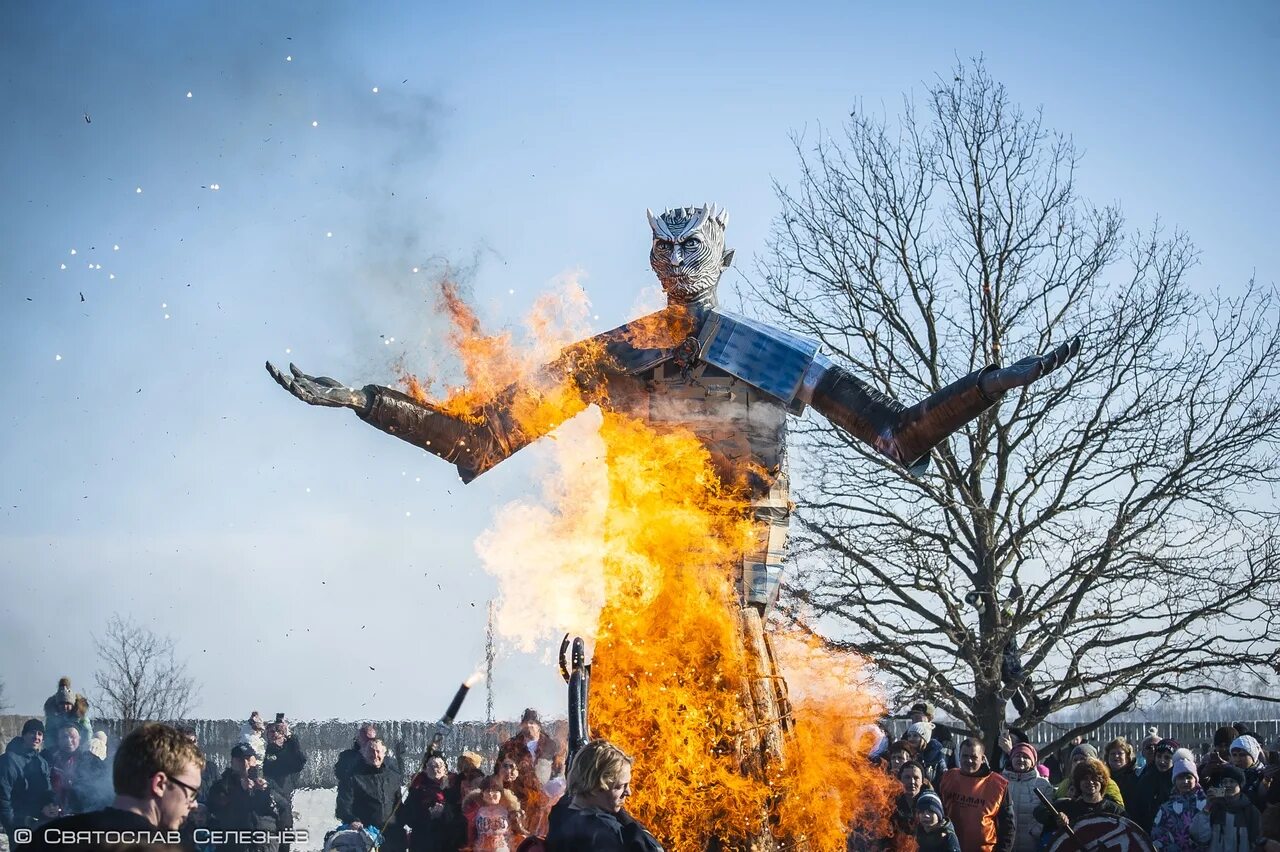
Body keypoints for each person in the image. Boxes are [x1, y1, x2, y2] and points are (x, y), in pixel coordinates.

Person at [33, 722, 205, 851]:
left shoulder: (49, 838)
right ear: (159, 784)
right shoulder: (165, 849)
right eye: (191, 792)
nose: (194, 803)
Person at [545, 739, 662, 852]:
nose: (628, 792)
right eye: (621, 786)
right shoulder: (605, 831)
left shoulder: (560, 810)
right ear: (596, 786)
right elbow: (652, 848)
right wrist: (623, 816)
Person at [207, 742, 293, 852]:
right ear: (232, 762)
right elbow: (217, 809)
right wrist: (241, 790)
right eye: (240, 760)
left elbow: (284, 809)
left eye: (248, 759)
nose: (245, 764)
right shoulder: (222, 786)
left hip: (265, 845)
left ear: (254, 761)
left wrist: (267, 791)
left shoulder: (268, 784)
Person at [937, 738, 1014, 852]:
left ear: (982, 758)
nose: (969, 760)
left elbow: (1008, 827)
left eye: (973, 757)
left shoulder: (998, 785)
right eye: (965, 756)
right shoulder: (948, 778)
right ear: (959, 756)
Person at [499, 710, 565, 835]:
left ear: (539, 726)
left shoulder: (550, 746)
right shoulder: (511, 746)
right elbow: (499, 771)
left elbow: (559, 770)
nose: (528, 726)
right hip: (518, 800)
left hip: (545, 802)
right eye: (525, 723)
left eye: (532, 722)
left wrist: (553, 790)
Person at [1034, 758, 1125, 844]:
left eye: (1094, 778)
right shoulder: (1068, 806)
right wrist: (1057, 816)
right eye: (1085, 778)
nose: (1090, 782)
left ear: (1102, 781)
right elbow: (1038, 812)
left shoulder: (1114, 810)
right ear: (1078, 783)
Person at [0, 719, 55, 844]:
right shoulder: (9, 761)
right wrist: (12, 826)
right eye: (32, 733)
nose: (36, 737)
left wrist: (51, 803)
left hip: (38, 824)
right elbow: (3, 799)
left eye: (40, 734)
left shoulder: (42, 762)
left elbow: (47, 791)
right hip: (18, 825)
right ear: (24, 735)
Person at [395, 755, 465, 852]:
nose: (435, 769)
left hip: (447, 841)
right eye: (431, 766)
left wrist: (444, 811)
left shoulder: (454, 787)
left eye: (439, 766)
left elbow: (460, 814)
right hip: (423, 841)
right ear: (425, 770)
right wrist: (427, 814)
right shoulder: (417, 788)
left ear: (445, 769)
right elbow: (408, 817)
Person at [336, 738, 402, 835]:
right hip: (366, 834)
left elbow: (400, 806)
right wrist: (352, 821)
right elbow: (343, 808)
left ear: (384, 752)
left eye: (378, 751)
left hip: (392, 835)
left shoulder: (394, 777)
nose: (375, 755)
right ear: (364, 753)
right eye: (371, 751)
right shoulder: (353, 778)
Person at [1191, 765, 1261, 852]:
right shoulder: (1215, 807)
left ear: (1240, 785)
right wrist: (1207, 807)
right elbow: (1201, 838)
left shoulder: (1251, 811)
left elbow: (1257, 842)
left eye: (1232, 782)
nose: (1228, 785)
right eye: (1224, 782)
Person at [1152, 750, 1208, 852]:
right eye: (1181, 778)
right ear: (1175, 781)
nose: (1185, 782)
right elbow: (1157, 834)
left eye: (1189, 777)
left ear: (1195, 780)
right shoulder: (1166, 808)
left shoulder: (1206, 805)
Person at [1002, 742, 1053, 852]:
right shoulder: (1000, 781)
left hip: (1032, 843)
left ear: (1033, 761)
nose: (1021, 759)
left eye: (1025, 757)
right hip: (1004, 842)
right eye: (1017, 756)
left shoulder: (1043, 785)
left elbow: (1048, 811)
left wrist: (1036, 831)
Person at [1054, 743, 1124, 807]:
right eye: (1075, 760)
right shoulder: (1065, 785)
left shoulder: (1108, 783)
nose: (1078, 762)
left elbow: (1117, 808)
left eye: (1083, 759)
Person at [1133, 739, 1180, 832]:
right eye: (1159, 756)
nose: (1162, 761)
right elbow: (1137, 809)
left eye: (1167, 757)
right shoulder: (1146, 779)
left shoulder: (1179, 780)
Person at [470, 775, 523, 852]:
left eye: (495, 790)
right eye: (487, 790)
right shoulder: (476, 811)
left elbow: (518, 832)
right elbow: (471, 834)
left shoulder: (509, 811)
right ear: (482, 794)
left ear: (501, 793)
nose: (491, 793)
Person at [263, 719, 307, 805]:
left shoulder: (290, 750)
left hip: (284, 794)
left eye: (279, 731)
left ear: (284, 736)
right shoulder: (262, 751)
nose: (275, 734)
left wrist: (290, 737)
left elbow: (299, 763)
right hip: (266, 794)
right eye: (272, 731)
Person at [42, 678, 93, 748]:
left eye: (68, 704)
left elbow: (87, 731)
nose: (65, 707)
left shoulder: (80, 716)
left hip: (77, 746)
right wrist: (52, 749)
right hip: (58, 748)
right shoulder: (53, 718)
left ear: (73, 704)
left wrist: (83, 747)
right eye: (61, 704)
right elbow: (49, 734)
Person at [1105, 737, 1142, 815]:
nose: (1116, 756)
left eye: (1120, 753)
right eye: (1112, 753)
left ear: (1128, 757)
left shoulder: (1137, 776)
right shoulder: (1103, 778)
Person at [906, 722, 948, 787]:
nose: (911, 739)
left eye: (915, 736)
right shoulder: (908, 755)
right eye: (909, 736)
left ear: (924, 738)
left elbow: (944, 780)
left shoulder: (937, 757)